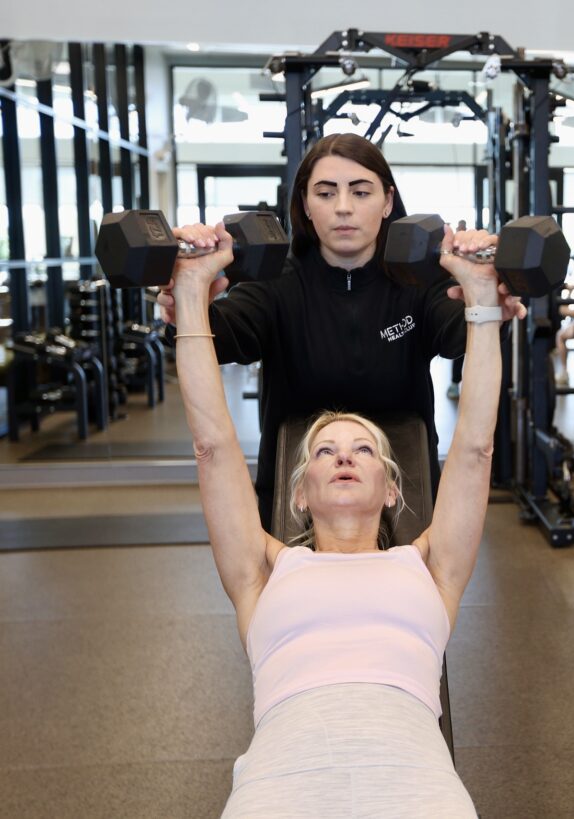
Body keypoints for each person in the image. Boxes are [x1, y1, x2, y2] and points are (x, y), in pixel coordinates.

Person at [170, 218, 504, 815]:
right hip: (282, 780)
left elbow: (477, 448)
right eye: (324, 450)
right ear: (299, 494)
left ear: (391, 489)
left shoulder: (431, 566)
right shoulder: (261, 570)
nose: (344, 455)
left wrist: (481, 301)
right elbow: (212, 445)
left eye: (363, 449)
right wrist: (193, 292)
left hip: (416, 782)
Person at [157, 134, 523, 528]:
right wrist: (190, 306)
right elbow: (227, 331)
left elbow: (458, 330)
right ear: (305, 206)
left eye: (361, 192)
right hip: (297, 497)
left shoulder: (418, 281)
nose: (343, 208)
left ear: (387, 202)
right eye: (326, 194)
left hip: (405, 493)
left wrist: (482, 297)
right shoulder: (277, 284)